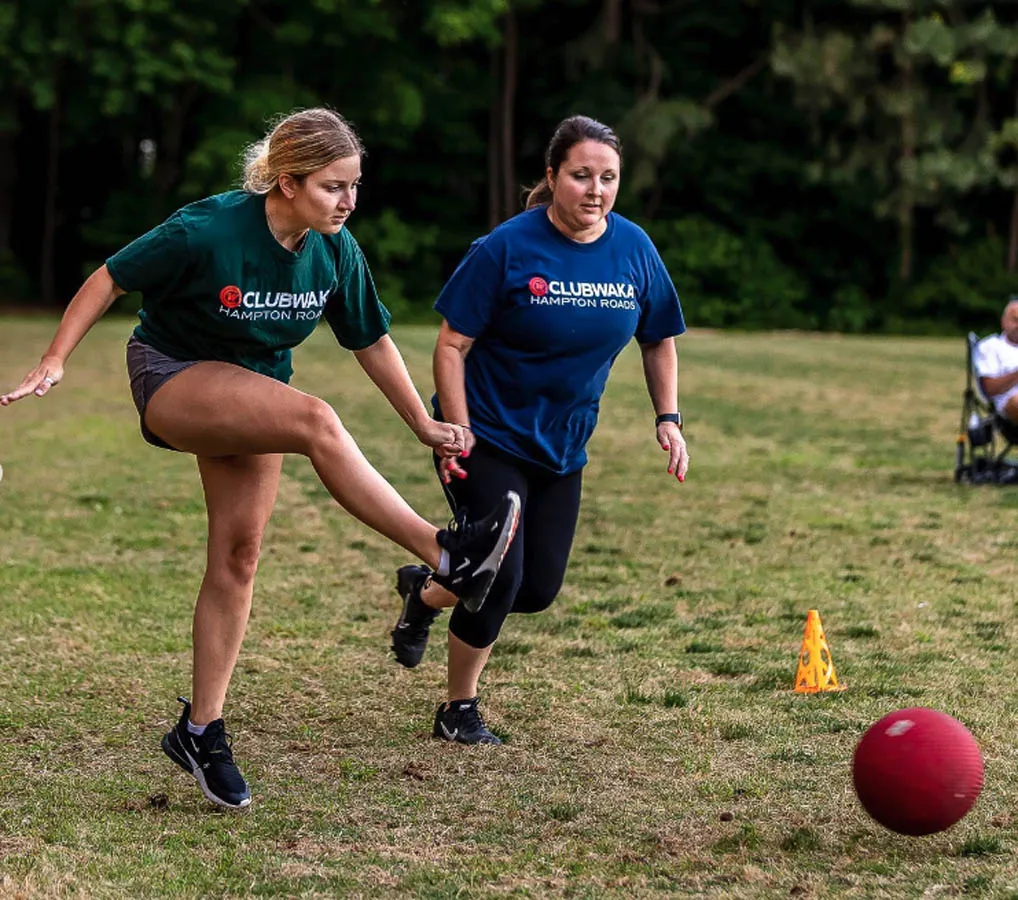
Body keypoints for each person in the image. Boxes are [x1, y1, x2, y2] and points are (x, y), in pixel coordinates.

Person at [1, 107, 520, 807]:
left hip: (253, 388)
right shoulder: (208, 227)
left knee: (239, 556)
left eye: (355, 186)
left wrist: (423, 424)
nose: (349, 201)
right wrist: (55, 359)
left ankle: (199, 728)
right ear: (287, 180)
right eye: (334, 187)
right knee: (316, 418)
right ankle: (447, 552)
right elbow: (110, 278)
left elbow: (369, 339)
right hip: (172, 374)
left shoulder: (335, 250)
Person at [389, 114, 689, 744]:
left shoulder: (634, 249)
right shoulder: (505, 247)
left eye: (608, 178)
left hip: (561, 446)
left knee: (537, 588)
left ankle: (427, 589)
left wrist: (668, 417)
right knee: (498, 574)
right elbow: (452, 344)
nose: (595, 190)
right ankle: (458, 711)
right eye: (581, 175)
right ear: (552, 177)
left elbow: (658, 337)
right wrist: (459, 429)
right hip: (487, 435)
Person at [975, 297, 1018, 422]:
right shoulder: (991, 346)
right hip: (1008, 404)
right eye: (1015, 320)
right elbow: (989, 389)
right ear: (1003, 322)